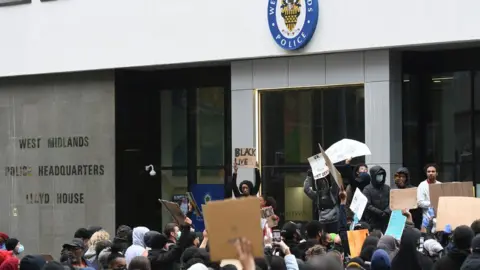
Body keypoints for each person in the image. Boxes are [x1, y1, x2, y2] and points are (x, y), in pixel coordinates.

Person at [304, 169, 340, 233]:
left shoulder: (332, 192)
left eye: (323, 182)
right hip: (323, 221)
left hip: (334, 221)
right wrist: (309, 176)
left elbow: (335, 182)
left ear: (326, 183)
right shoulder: (317, 195)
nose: (321, 184)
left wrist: (331, 171)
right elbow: (306, 189)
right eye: (319, 183)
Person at [362, 166, 391, 232]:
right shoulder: (367, 189)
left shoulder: (387, 188)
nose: (380, 177)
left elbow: (392, 202)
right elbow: (367, 205)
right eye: (378, 175)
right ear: (373, 176)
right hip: (373, 221)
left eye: (382, 175)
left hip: (386, 220)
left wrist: (387, 211)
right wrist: (379, 212)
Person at [417, 164, 441, 228]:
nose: (431, 173)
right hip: (427, 218)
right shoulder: (422, 185)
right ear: (426, 173)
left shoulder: (440, 185)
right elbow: (419, 202)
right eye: (429, 171)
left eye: (433, 171)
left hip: (439, 217)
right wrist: (433, 204)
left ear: (437, 173)